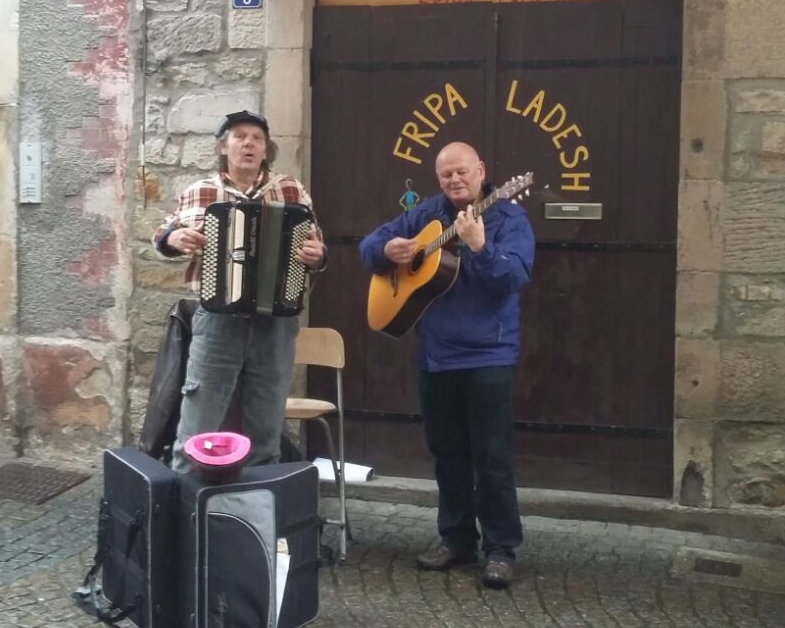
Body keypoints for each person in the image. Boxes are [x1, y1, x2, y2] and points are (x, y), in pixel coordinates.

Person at [359, 141, 534, 589]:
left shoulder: (508, 217)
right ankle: (456, 539)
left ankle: (499, 549)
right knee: (448, 453)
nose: (455, 180)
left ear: (481, 171)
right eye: (446, 175)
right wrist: (388, 250)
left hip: (487, 354)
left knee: (491, 457)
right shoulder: (426, 215)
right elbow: (368, 246)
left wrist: (480, 247)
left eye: (462, 172)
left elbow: (514, 278)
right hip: (436, 355)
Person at [153, 109, 326, 472]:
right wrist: (174, 238)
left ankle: (259, 516)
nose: (248, 144)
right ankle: (189, 518)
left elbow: (317, 249)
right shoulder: (199, 191)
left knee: (266, 431)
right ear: (223, 147)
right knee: (197, 425)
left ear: (266, 149)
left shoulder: (291, 189)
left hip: (275, 324)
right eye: (239, 136)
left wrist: (316, 255)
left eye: (257, 138)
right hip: (217, 321)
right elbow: (162, 237)